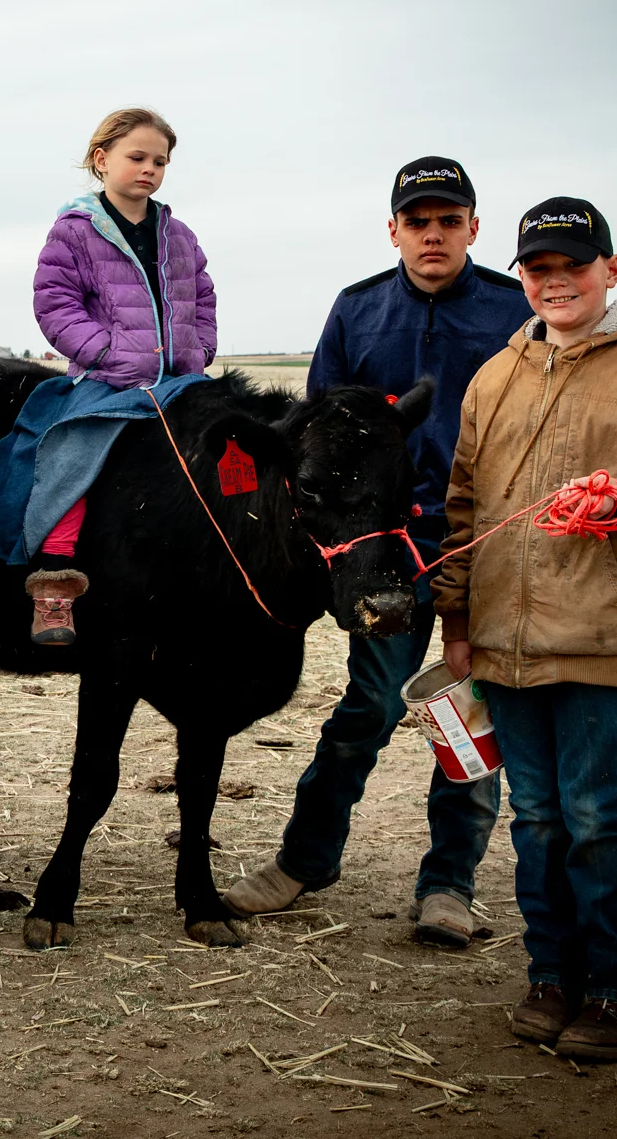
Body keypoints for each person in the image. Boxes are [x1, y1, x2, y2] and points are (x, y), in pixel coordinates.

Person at [433, 198, 617, 1059]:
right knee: (535, 819)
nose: (555, 281)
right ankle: (551, 977)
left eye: (573, 265)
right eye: (538, 268)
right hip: (500, 640)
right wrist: (457, 623)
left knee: (599, 814)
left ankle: (616, 990)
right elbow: (463, 510)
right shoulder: (495, 375)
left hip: (600, 637)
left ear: (613, 269)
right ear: (522, 276)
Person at [223, 156, 532, 947]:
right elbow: (318, 428)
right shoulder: (357, 310)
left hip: (485, 542)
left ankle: (449, 885)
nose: (433, 235)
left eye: (449, 221)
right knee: (367, 707)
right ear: (392, 229)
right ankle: (304, 859)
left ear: (473, 226)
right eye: (418, 222)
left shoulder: (512, 307)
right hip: (385, 553)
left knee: (466, 711)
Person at [23, 107, 217, 643]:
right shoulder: (75, 232)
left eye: (160, 160)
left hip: (179, 380)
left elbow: (202, 295)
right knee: (71, 456)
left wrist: (200, 350)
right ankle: (55, 588)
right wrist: (104, 352)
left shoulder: (178, 234)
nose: (149, 169)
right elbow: (54, 303)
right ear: (102, 160)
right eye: (137, 157)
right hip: (105, 381)